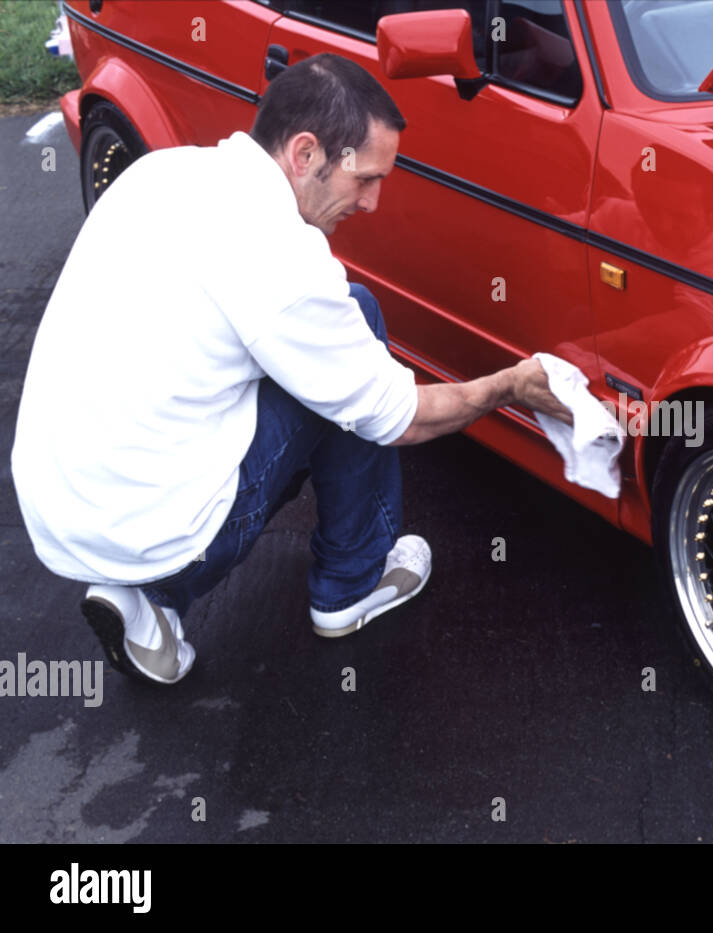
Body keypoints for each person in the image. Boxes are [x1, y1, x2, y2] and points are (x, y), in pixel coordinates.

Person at [10, 53, 571, 685]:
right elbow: (399, 419)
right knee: (357, 323)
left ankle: (146, 601)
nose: (374, 202)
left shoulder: (160, 174)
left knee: (314, 355)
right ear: (305, 154)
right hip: (164, 533)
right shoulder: (285, 260)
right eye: (366, 178)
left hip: (63, 511)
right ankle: (352, 583)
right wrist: (509, 385)